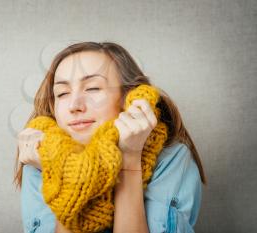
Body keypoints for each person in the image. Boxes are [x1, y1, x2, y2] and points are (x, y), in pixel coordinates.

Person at [13, 41, 207, 233]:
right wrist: (63, 177)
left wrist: (130, 158)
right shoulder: (39, 160)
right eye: (62, 93)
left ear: (129, 98)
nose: (74, 105)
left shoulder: (172, 159)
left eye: (93, 88)